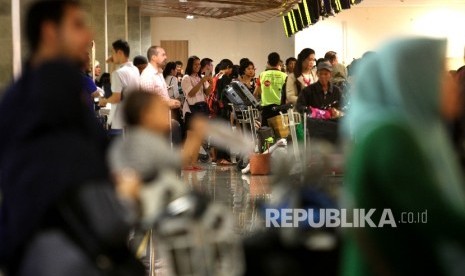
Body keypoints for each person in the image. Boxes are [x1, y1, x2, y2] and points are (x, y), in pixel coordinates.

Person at [0, 1, 144, 275]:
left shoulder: (28, 93)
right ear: (49, 31)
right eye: (77, 25)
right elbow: (74, 180)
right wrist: (124, 195)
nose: (89, 36)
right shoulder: (50, 94)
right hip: (60, 253)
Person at [342, 38, 465, 276]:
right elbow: (431, 214)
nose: (451, 82)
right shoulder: (390, 136)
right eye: (439, 72)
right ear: (413, 79)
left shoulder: (417, 130)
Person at [140, 46, 182, 145]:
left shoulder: (159, 74)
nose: (166, 57)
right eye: (163, 55)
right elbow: (148, 102)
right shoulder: (148, 75)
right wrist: (168, 103)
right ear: (154, 57)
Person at [99, 39, 140, 138]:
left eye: (112, 52)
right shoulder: (135, 69)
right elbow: (115, 85)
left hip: (119, 121)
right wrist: (113, 63)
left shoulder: (119, 73)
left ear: (120, 52)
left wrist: (104, 101)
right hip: (130, 119)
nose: (111, 55)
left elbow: (116, 97)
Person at [254, 52, 287, 127]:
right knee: (280, 133)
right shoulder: (285, 76)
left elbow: (256, 93)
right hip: (280, 108)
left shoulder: (262, 75)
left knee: (266, 133)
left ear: (268, 62)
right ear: (279, 63)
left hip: (266, 108)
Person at [181, 56, 212, 128]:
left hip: (202, 108)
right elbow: (191, 94)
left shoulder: (201, 77)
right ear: (190, 65)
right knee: (192, 135)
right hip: (191, 110)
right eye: (195, 64)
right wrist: (201, 82)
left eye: (199, 64)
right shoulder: (186, 78)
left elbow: (207, 93)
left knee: (202, 134)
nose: (198, 66)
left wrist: (211, 83)